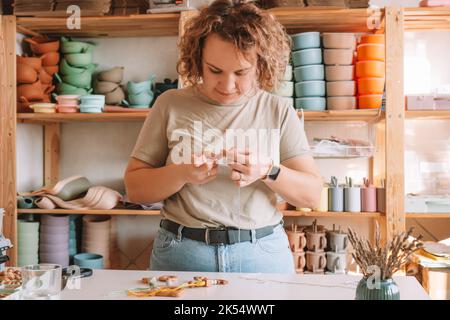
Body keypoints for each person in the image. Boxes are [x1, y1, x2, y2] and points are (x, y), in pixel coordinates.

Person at [124, 0, 322, 273]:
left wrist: (268, 171)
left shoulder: (278, 109)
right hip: (182, 253)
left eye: (241, 72)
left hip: (261, 254)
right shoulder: (170, 104)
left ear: (260, 64)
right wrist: (182, 174)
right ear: (198, 59)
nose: (228, 86)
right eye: (215, 70)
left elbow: (311, 196)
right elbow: (135, 188)